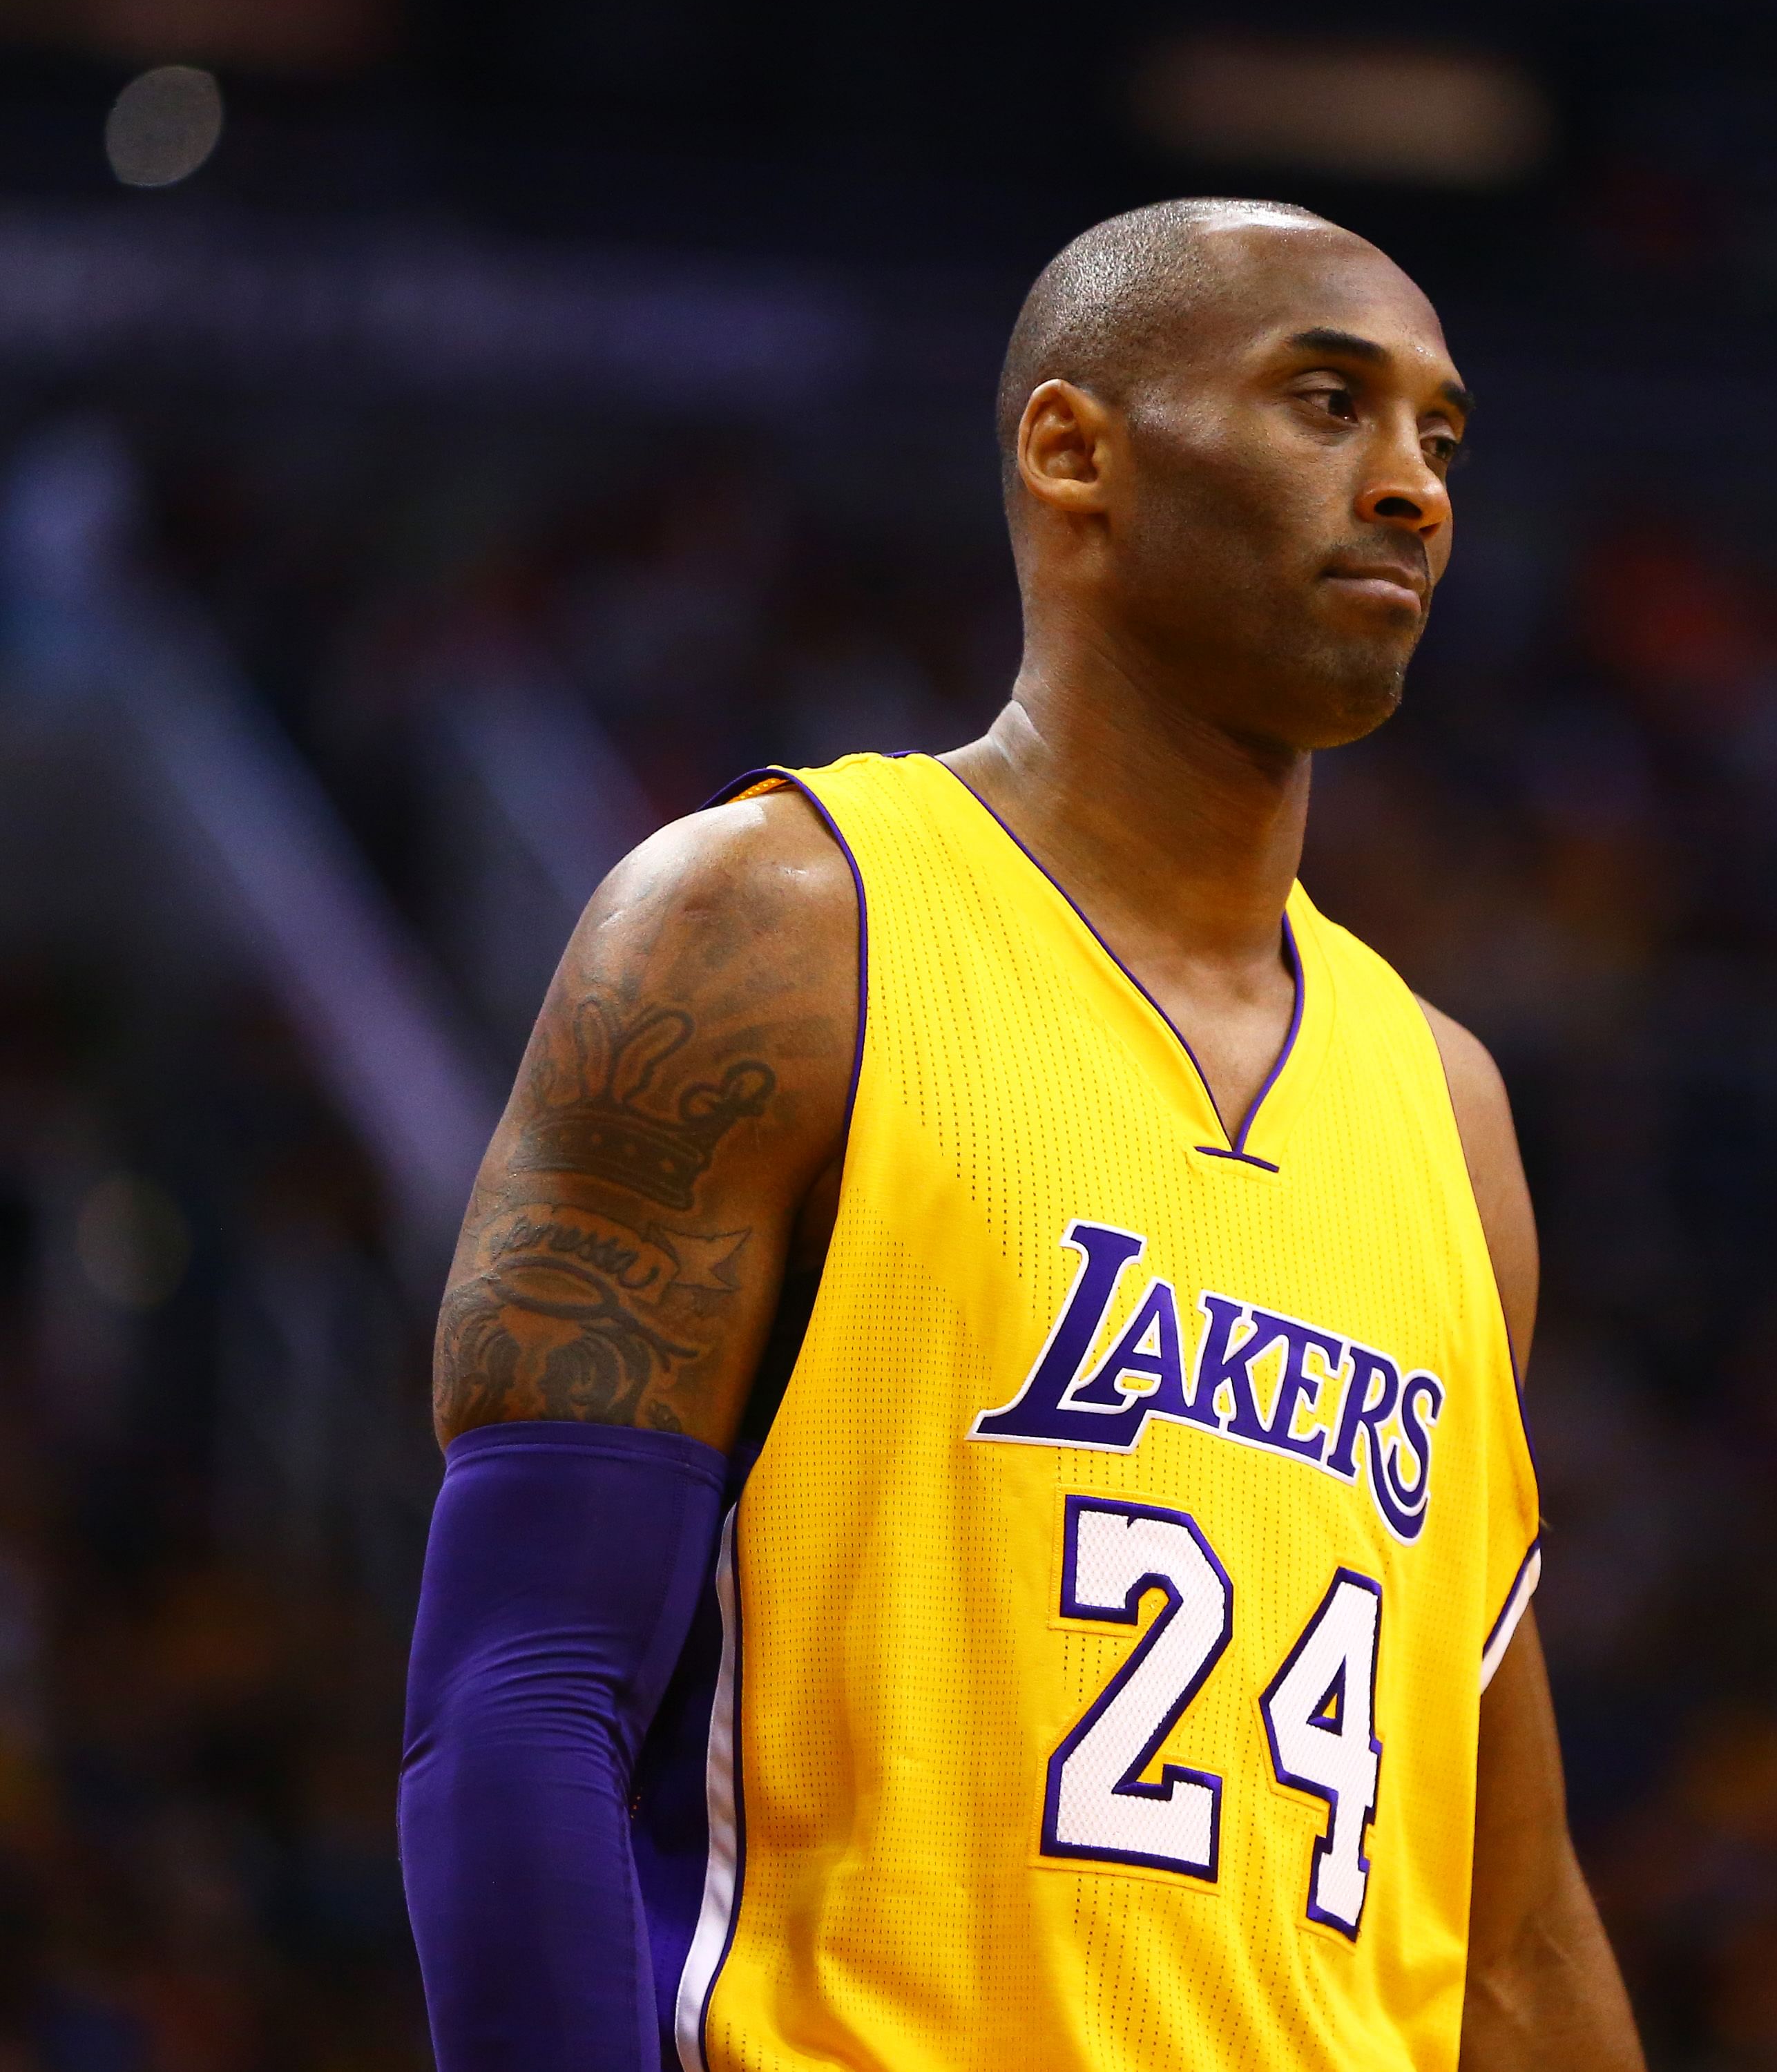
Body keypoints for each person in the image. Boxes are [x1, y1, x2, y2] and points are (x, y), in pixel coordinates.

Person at [396, 198, 1645, 2072]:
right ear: (1075, 454)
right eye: (1327, 403)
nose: (1410, 487)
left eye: (1438, 436)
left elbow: (1510, 1916)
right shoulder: (773, 926)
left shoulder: (1449, 1113)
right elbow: (522, 1692)